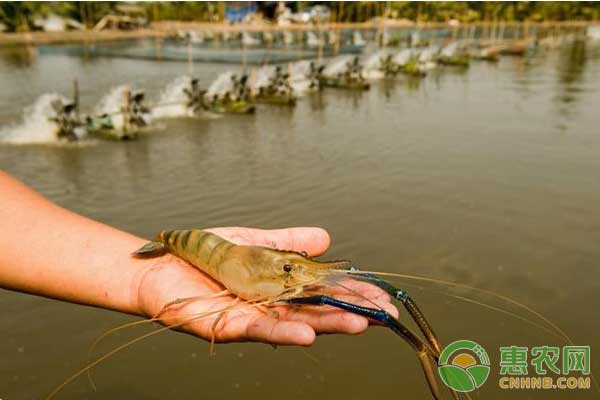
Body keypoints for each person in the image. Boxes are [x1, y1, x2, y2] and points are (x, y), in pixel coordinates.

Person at [0, 171, 397, 346]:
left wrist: (298, 271)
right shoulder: (205, 254)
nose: (292, 272)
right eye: (289, 266)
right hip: (180, 241)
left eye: (288, 264)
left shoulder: (275, 267)